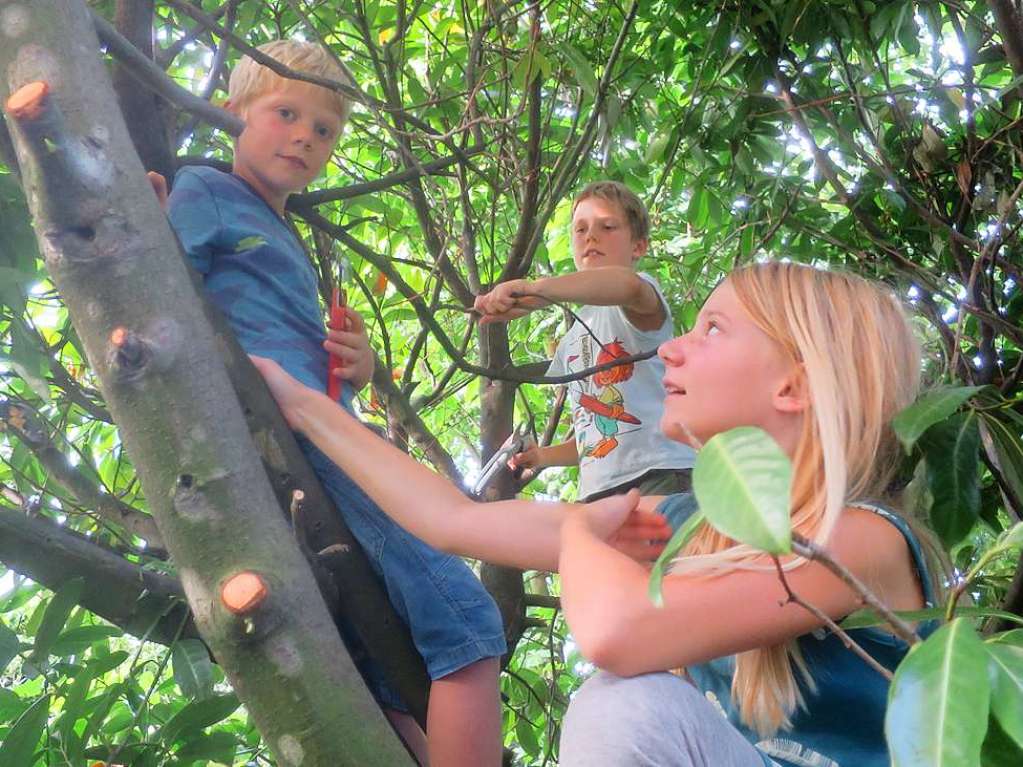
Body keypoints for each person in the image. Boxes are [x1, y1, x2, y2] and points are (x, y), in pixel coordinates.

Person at [252, 261, 943, 767]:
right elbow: (452, 520)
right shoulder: (681, 523)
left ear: (791, 384)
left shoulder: (861, 538)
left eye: (712, 330)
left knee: (625, 705)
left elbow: (617, 633)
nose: (672, 347)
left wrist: (583, 531)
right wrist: (306, 406)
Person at [164, 40, 508, 767]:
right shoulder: (205, 189)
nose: (304, 137)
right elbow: (168, 297)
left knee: (377, 660)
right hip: (306, 441)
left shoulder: (280, 227)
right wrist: (151, 233)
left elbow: (270, 330)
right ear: (233, 111)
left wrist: (355, 366)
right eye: (285, 112)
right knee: (467, 621)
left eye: (324, 129)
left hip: (325, 426)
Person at [473, 181, 695, 502]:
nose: (591, 236)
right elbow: (598, 432)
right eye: (580, 230)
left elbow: (626, 286)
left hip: (659, 475)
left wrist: (539, 289)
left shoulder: (638, 297)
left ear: (639, 247)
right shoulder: (573, 340)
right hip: (597, 492)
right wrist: (544, 457)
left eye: (608, 226)